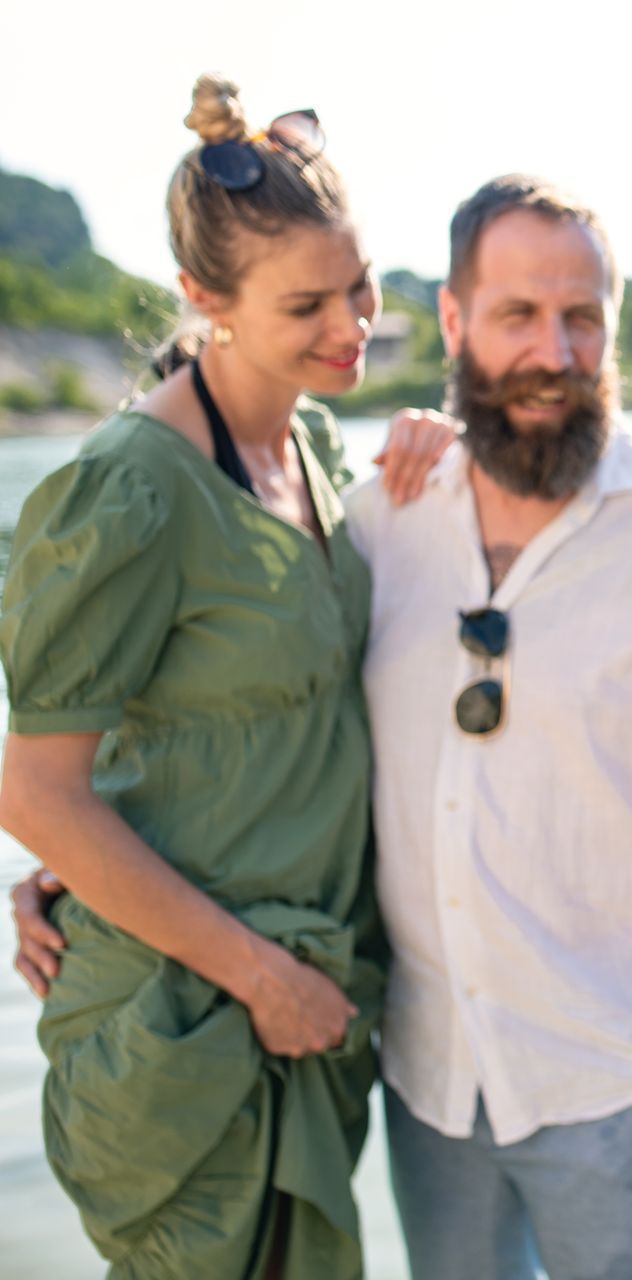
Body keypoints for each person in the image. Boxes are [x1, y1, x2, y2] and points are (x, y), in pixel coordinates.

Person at [345, 175, 632, 1280]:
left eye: (583, 317)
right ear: (454, 322)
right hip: (426, 1082)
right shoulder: (376, 521)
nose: (555, 350)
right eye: (518, 315)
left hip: (617, 1079)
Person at [0, 74, 390, 1278]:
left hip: (306, 1010)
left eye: (361, 285)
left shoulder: (319, 446)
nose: (352, 325)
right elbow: (33, 789)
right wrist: (263, 977)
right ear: (202, 301)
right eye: (308, 304)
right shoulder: (132, 489)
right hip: (188, 1028)